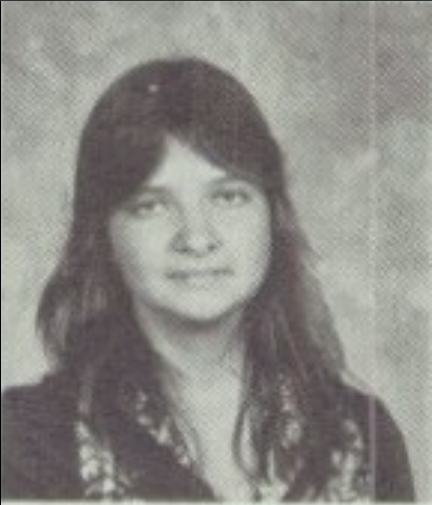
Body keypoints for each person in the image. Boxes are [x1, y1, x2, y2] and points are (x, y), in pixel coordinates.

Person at [2, 57, 415, 501]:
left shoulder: (364, 435)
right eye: (151, 205)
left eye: (228, 197)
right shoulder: (23, 439)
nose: (197, 238)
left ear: (273, 217)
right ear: (101, 236)